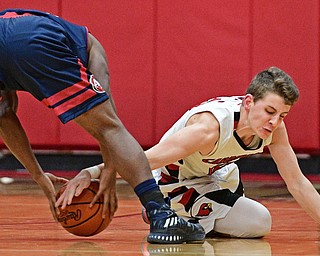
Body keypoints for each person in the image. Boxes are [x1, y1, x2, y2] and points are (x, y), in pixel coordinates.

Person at [0, 8, 205, 244]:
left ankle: (161, 215)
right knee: (110, 127)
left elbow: (4, 116)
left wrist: (37, 175)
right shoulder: (89, 46)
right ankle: (161, 215)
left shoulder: (17, 24)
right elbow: (109, 125)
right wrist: (108, 169)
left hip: (18, 41)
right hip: (36, 41)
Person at [69, 66, 320, 238]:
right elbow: (145, 160)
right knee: (260, 221)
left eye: (282, 115)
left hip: (211, 175)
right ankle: (167, 211)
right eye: (270, 111)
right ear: (248, 102)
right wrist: (92, 172)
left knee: (232, 177)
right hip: (171, 181)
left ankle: (193, 218)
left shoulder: (273, 129)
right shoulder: (208, 128)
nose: (275, 122)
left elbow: (297, 182)